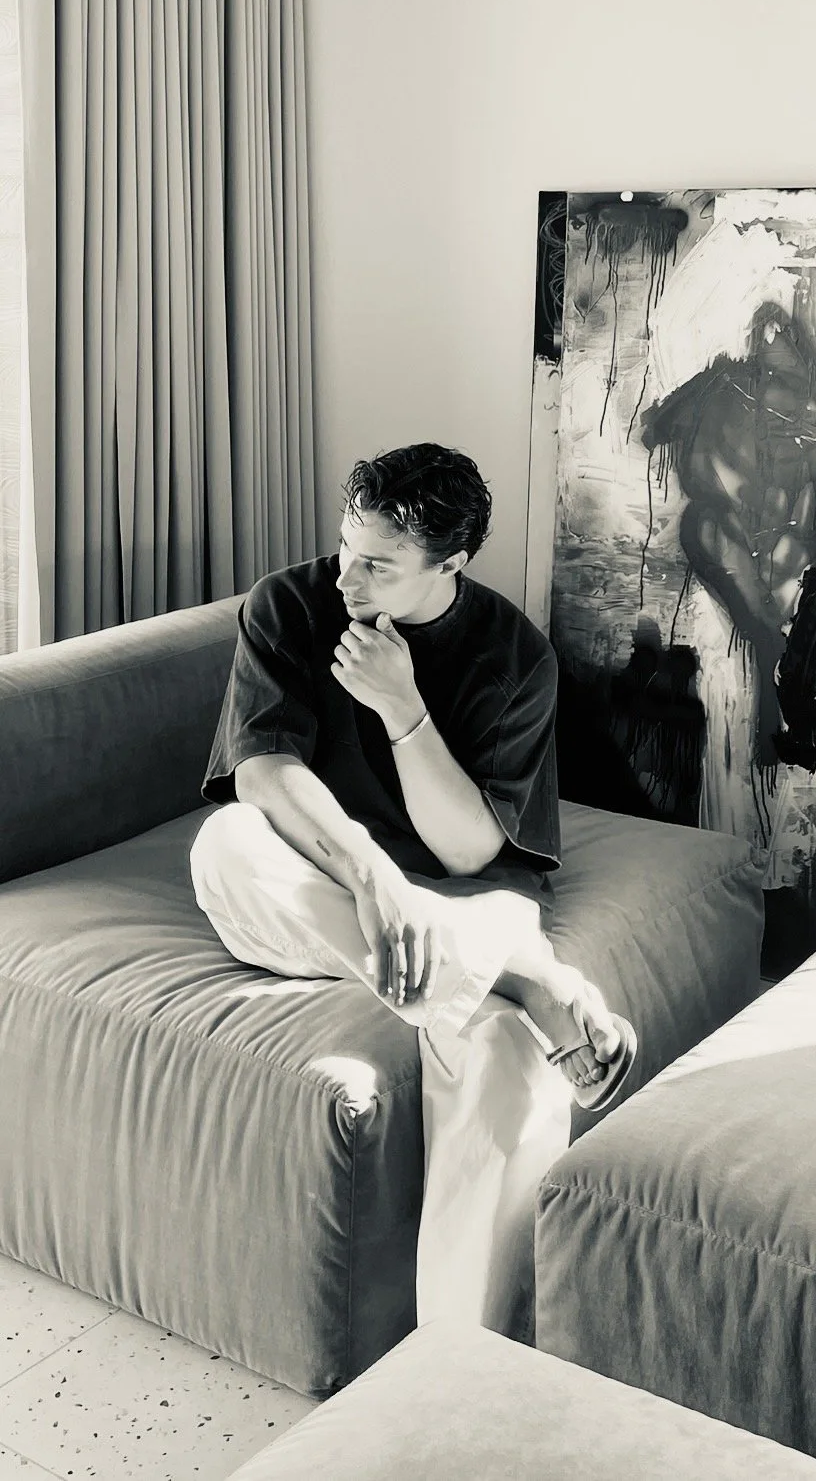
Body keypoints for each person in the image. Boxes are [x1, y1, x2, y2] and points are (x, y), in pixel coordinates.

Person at [189, 441, 636, 1332]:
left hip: (464, 906)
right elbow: (263, 774)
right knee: (226, 839)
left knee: (511, 1059)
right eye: (347, 546)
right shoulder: (288, 605)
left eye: (380, 568)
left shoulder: (516, 658)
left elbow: (473, 856)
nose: (346, 579)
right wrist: (370, 877)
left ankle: (460, 1368)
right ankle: (525, 979)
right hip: (322, 891)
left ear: (451, 564)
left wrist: (405, 710)